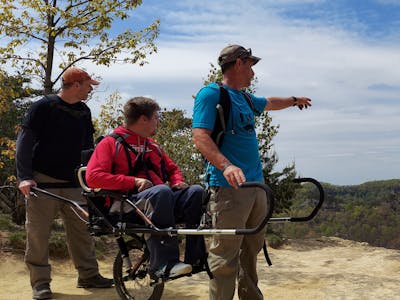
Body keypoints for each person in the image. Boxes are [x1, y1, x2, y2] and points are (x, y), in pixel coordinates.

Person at [192, 44, 312, 300]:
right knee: (225, 256)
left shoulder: (245, 98)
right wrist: (226, 166)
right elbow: (200, 136)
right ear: (238, 63)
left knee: (252, 251)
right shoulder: (211, 94)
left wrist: (293, 101)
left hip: (256, 187)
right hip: (229, 189)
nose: (253, 72)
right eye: (250, 65)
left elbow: (268, 103)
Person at [16, 67, 113, 300]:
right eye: (88, 85)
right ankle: (40, 283)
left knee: (81, 231)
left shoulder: (83, 111)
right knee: (38, 233)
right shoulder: (44, 106)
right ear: (76, 84)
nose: (90, 89)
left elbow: (88, 148)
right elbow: (25, 141)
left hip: (75, 181)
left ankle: (88, 275)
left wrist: (93, 174)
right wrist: (24, 176)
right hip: (43, 181)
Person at [85, 96, 206, 279]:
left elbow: (172, 169)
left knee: (195, 192)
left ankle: (196, 259)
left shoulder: (152, 146)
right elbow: (93, 177)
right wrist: (132, 181)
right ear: (143, 119)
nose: (157, 122)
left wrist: (176, 181)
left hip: (158, 200)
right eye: (156, 118)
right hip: (124, 205)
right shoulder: (110, 143)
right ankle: (164, 264)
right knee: (161, 192)